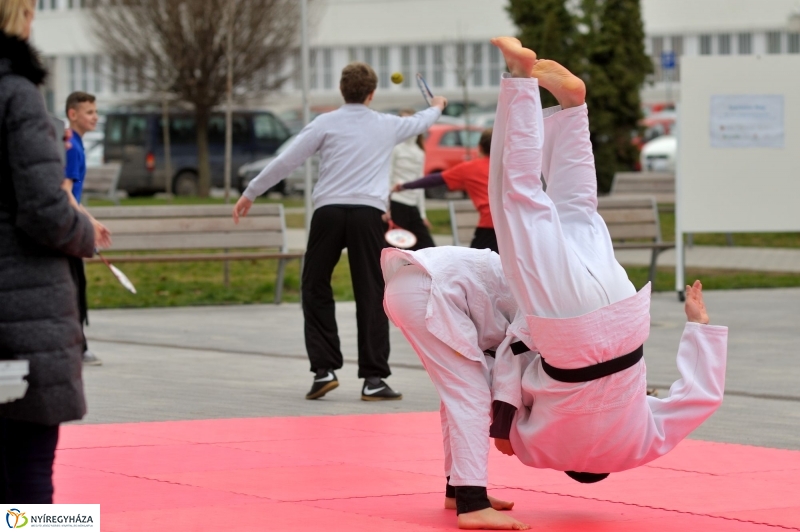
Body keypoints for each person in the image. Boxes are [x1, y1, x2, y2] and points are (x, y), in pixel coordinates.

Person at [383, 37, 728, 530]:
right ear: (576, 468)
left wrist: (701, 327)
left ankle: (572, 109)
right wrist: (502, 426)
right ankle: (519, 81)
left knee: (577, 210)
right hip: (569, 334)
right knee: (518, 201)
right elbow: (500, 384)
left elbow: (703, 397)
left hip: (628, 318)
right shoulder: (538, 450)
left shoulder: (643, 443)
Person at [233, 62, 447, 401]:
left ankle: (324, 370)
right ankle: (374, 379)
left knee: (314, 284)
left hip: (328, 213)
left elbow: (288, 159)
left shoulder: (325, 123)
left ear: (342, 90)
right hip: (367, 215)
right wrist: (436, 106)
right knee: (371, 291)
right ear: (372, 93)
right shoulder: (387, 124)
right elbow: (422, 121)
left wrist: (251, 192)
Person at [0, 0, 109, 503]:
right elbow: (44, 210)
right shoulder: (18, 98)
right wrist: (84, 232)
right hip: (18, 318)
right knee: (27, 480)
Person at [392, 128, 497, 252]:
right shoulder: (507, 166)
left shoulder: (470, 168)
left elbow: (434, 180)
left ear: (479, 147)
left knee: (474, 262)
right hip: (513, 222)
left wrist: (403, 186)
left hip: (490, 222)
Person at [63, 91, 102, 366]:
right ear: (72, 114)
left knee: (78, 286)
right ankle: (78, 347)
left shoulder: (75, 144)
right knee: (74, 288)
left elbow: (73, 198)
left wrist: (93, 221)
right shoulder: (71, 147)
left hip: (73, 225)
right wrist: (84, 224)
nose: (95, 117)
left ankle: (78, 344)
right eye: (89, 112)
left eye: (95, 112)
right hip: (65, 230)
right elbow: (64, 193)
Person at [387, 109, 435, 250]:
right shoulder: (395, 147)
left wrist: (422, 214)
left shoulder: (419, 152)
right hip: (396, 204)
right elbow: (388, 177)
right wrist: (386, 207)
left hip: (413, 206)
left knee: (428, 248)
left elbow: (420, 184)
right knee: (398, 250)